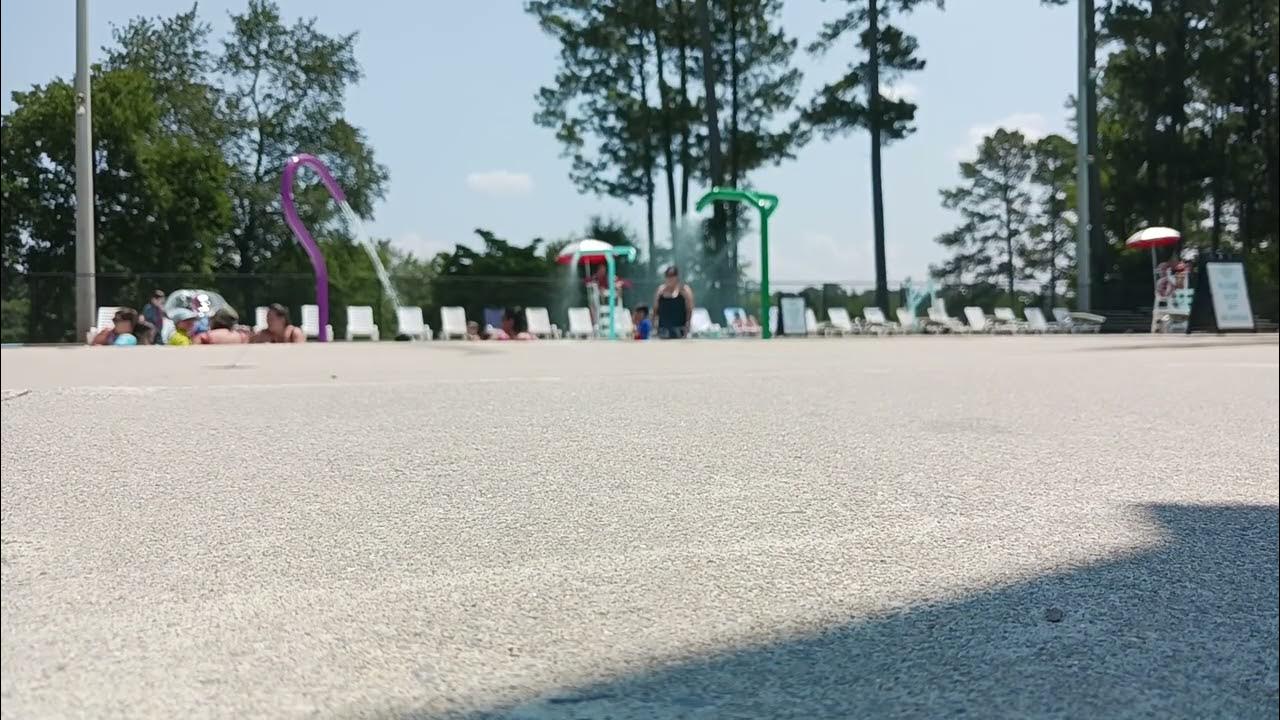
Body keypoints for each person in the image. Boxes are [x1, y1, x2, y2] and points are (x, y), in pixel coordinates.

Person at [652, 265, 694, 339]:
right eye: (668, 276)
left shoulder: (684, 290)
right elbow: (655, 311)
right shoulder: (660, 291)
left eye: (673, 275)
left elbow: (689, 310)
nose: (670, 278)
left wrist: (688, 327)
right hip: (663, 331)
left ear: (677, 277)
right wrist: (654, 328)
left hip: (679, 330)